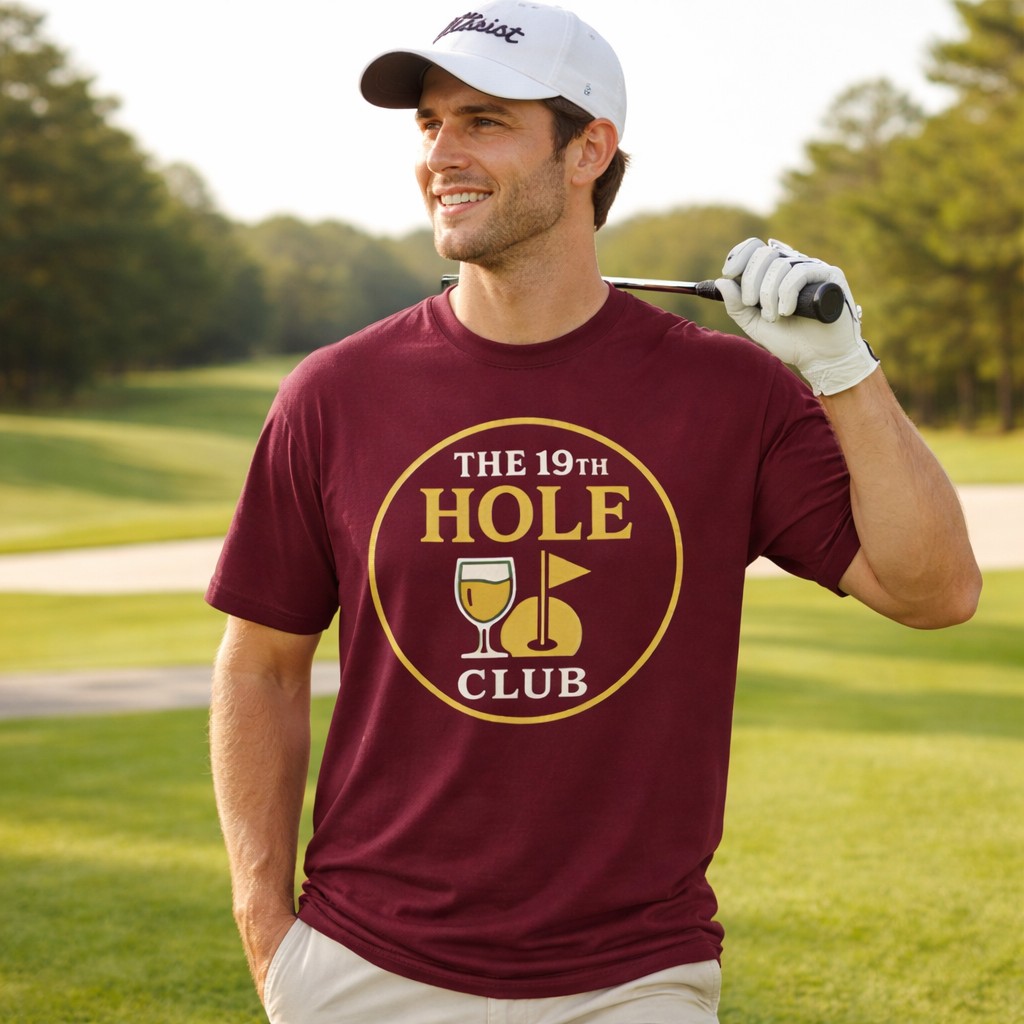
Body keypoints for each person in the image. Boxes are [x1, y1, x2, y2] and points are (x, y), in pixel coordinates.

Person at [206, 4, 981, 1022]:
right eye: (429, 123)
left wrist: (844, 369)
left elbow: (934, 591)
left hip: (633, 977)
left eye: (484, 121)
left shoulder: (727, 392)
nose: (441, 153)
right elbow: (261, 664)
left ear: (588, 151)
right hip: (365, 966)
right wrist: (267, 930)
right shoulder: (334, 393)